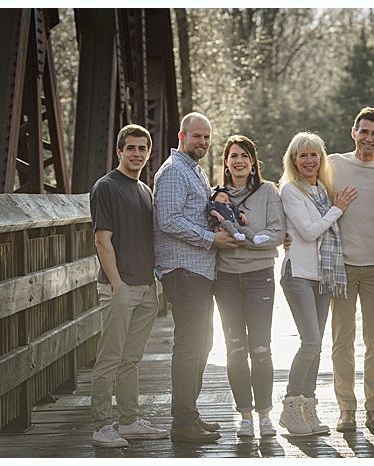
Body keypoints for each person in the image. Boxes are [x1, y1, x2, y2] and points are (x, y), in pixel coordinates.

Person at [154, 112, 239, 443]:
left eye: (206, 137)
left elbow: (192, 213)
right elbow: (168, 220)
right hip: (183, 271)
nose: (202, 142)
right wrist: (210, 239)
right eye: (196, 136)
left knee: (203, 343)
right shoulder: (174, 171)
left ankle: (189, 414)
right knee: (190, 346)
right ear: (181, 136)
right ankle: (182, 423)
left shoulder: (194, 171)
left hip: (199, 270)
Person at [88, 124, 169, 448]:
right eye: (131, 148)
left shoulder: (145, 190)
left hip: (146, 287)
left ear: (148, 153)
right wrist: (117, 285)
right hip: (119, 288)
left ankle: (129, 421)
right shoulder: (106, 187)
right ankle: (101, 426)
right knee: (109, 358)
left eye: (142, 149)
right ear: (119, 151)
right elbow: (102, 240)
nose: (137, 154)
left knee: (131, 360)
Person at [278, 132, 357, 436]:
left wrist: (334, 206)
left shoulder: (322, 189)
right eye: (303, 155)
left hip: (322, 275)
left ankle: (307, 409)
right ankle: (290, 406)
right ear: (294, 160)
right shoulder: (290, 190)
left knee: (316, 345)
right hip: (298, 273)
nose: (309, 161)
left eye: (314, 155)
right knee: (310, 342)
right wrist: (338, 208)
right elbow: (309, 232)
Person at [326, 108, 374, 432]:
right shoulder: (333, 164)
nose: (369, 138)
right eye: (363, 131)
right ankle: (346, 409)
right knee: (342, 339)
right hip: (341, 265)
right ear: (354, 132)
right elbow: (306, 192)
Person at [211, 135, 284, 438]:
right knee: (235, 349)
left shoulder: (268, 192)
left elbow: (277, 234)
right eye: (233, 156)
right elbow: (212, 232)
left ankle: (265, 415)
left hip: (259, 277)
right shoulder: (216, 196)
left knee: (261, 348)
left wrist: (243, 240)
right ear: (226, 162)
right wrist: (255, 238)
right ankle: (244, 416)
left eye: (244, 156)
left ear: (253, 162)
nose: (239, 161)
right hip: (226, 279)